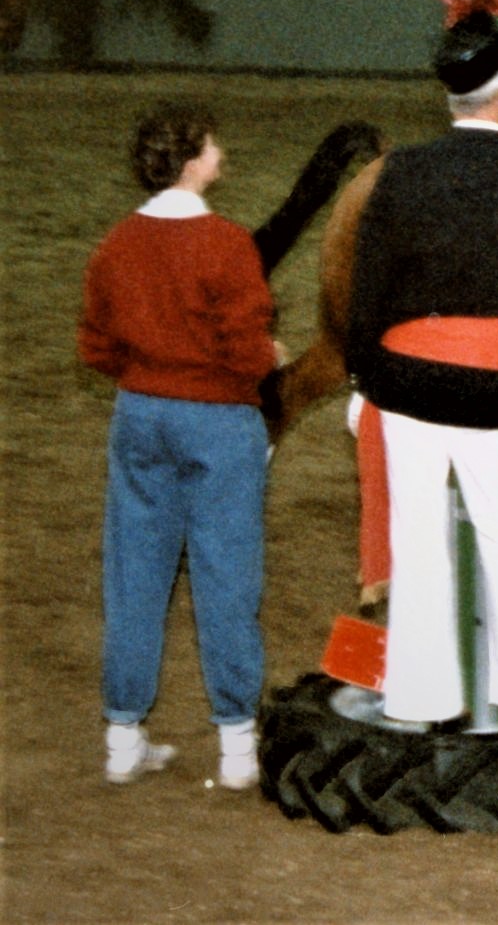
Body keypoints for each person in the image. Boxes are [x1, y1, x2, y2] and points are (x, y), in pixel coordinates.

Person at [346, 0, 498, 724]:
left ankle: (424, 695)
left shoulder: (402, 170)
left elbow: (368, 285)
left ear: (451, 97)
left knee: (419, 536)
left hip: (406, 377)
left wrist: (366, 375)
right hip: (488, 380)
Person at [79, 102, 279, 789]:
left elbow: (97, 345)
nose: (221, 152)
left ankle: (122, 736)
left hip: (139, 414)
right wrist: (267, 356)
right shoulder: (227, 244)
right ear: (193, 160)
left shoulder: (115, 244)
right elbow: (247, 351)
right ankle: (237, 746)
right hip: (217, 420)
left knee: (134, 575)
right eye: (213, 143)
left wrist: (151, 372)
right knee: (228, 575)